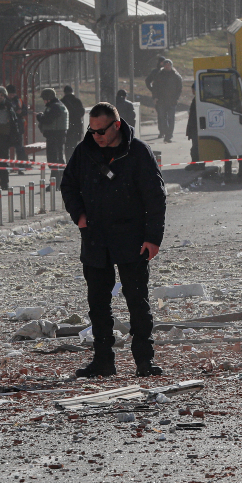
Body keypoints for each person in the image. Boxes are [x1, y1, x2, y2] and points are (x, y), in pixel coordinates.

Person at [61, 102, 167, 378]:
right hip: (95, 238)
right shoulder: (84, 151)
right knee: (98, 305)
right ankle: (103, 361)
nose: (96, 136)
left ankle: (144, 361)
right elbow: (68, 185)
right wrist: (79, 215)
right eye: (92, 130)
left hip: (131, 238)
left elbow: (155, 197)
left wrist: (153, 238)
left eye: (101, 131)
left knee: (137, 302)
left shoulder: (138, 152)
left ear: (116, 126)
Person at [36, 88, 68, 181]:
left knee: (53, 160)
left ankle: (55, 182)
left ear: (48, 98)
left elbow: (48, 120)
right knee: (59, 158)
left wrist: (39, 116)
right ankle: (62, 180)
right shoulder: (60, 105)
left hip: (53, 136)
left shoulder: (54, 107)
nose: (44, 101)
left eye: (44, 99)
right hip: (59, 135)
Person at [149, 57, 182, 142]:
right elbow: (155, 87)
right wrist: (155, 97)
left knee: (171, 118)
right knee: (162, 118)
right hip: (161, 101)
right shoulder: (159, 75)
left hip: (172, 101)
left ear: (171, 66)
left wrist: (176, 98)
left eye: (169, 65)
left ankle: (169, 135)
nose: (167, 66)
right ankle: (165, 132)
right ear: (163, 66)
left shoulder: (176, 76)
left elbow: (179, 89)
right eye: (165, 65)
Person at [6, 84, 29, 173]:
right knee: (5, 148)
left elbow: (26, 111)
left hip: (18, 128)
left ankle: (20, 166)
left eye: (13, 94)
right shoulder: (4, 101)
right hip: (7, 128)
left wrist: (21, 111)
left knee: (19, 148)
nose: (12, 96)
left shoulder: (19, 100)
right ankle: (6, 166)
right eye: (10, 94)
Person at [185, 97, 203, 171]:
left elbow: (192, 116)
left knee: (196, 147)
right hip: (196, 126)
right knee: (196, 147)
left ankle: (197, 164)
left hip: (195, 126)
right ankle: (198, 164)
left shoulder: (197, 99)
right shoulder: (197, 99)